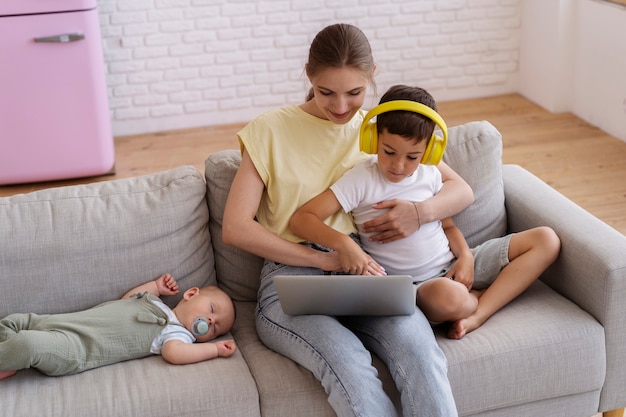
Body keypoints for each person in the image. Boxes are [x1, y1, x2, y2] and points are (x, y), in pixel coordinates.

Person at [223, 23, 474, 417]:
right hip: (291, 280)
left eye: (355, 93)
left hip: (367, 276)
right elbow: (235, 227)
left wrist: (420, 212)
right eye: (327, 93)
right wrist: (326, 257)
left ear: (372, 74)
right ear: (309, 75)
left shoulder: (381, 133)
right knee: (350, 364)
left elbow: (459, 188)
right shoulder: (269, 130)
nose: (341, 107)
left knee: (421, 353)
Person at [290, 84, 562, 340]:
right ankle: (474, 300)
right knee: (449, 297)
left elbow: (448, 226)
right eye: (389, 151)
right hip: (418, 286)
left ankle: (478, 312)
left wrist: (466, 255)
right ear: (374, 138)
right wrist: (345, 245)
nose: (398, 165)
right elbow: (303, 219)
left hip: (454, 264)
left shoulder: (431, 174)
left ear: (429, 150)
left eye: (412, 157)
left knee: (546, 240)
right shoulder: (361, 179)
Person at [0, 273, 236, 380]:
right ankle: (7, 360)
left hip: (77, 349)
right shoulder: (155, 302)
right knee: (14, 322)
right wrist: (155, 286)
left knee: (28, 343)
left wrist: (214, 349)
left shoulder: (176, 334)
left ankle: (10, 355)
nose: (211, 322)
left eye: (216, 329)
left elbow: (174, 354)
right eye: (212, 310)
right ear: (191, 293)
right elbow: (128, 299)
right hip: (67, 322)